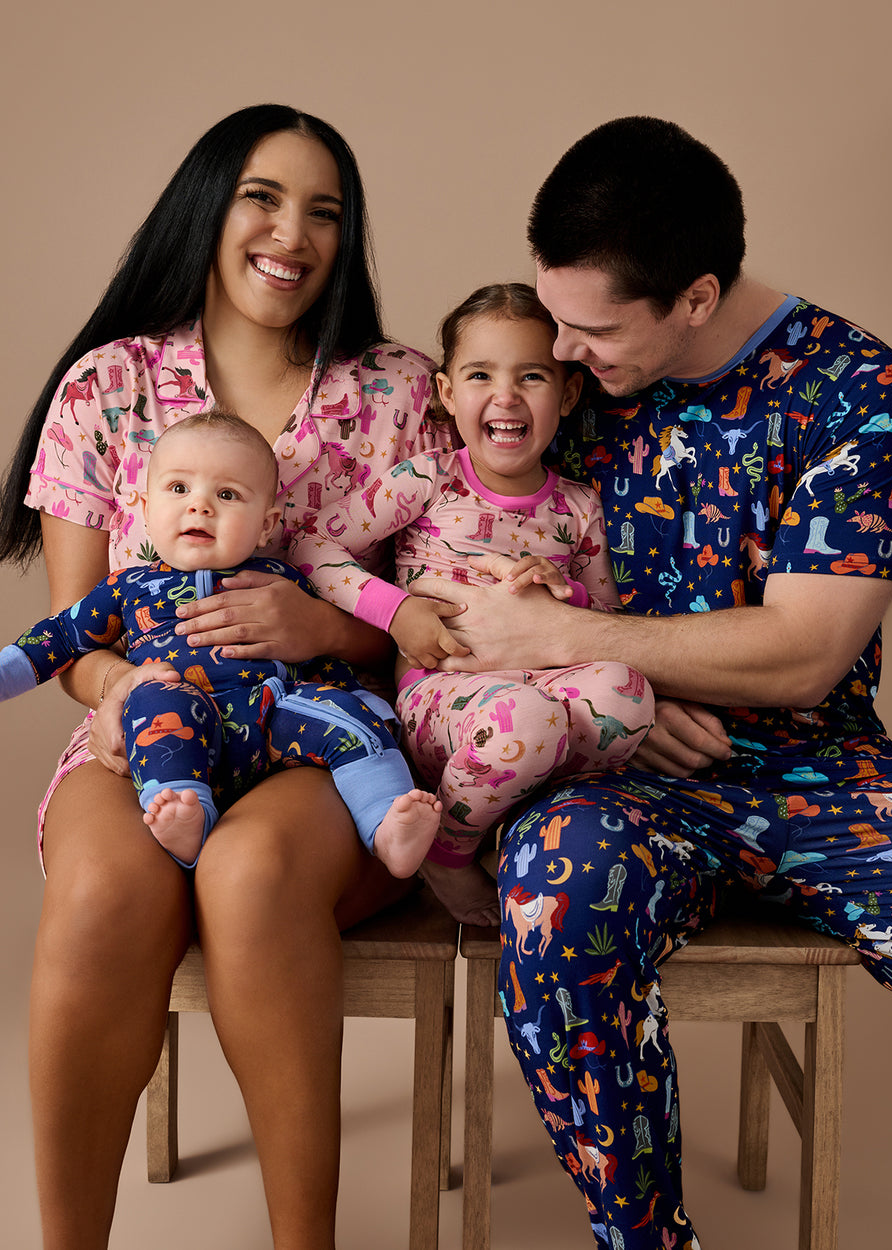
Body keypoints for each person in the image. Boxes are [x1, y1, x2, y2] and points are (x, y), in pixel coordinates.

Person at [418, 118, 892, 1250]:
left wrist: (573, 637)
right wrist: (600, 684)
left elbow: (802, 651)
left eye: (592, 330)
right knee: (557, 892)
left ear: (694, 295)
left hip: (823, 774)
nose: (564, 353)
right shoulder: (562, 372)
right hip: (609, 768)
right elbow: (455, 542)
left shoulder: (855, 387)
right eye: (555, 320)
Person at [0, 104, 448, 1247]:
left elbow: (441, 622)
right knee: (105, 888)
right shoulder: (109, 386)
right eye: (262, 195)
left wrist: (322, 627)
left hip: (326, 741)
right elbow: (74, 636)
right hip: (147, 729)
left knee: (248, 872)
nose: (290, 231)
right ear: (209, 204)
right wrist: (118, 696)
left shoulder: (400, 392)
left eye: (325, 210)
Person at [290, 283, 655, 924]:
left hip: (539, 688)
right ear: (447, 393)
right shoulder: (428, 479)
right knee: (530, 720)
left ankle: (510, 814)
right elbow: (313, 548)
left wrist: (559, 596)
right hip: (443, 696)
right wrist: (396, 611)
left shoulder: (579, 506)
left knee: (627, 695)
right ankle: (449, 853)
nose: (506, 395)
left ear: (568, 393)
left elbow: (606, 623)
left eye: (533, 375)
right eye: (481, 374)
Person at [0, 410, 441, 873]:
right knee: (151, 700)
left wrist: (346, 694)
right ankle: (182, 811)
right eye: (178, 489)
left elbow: (324, 656)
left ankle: (386, 824)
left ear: (267, 524)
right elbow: (60, 636)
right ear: (146, 508)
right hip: (184, 720)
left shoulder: (285, 582)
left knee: (348, 714)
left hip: (274, 719)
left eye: (227, 495)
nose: (200, 506)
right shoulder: (127, 587)